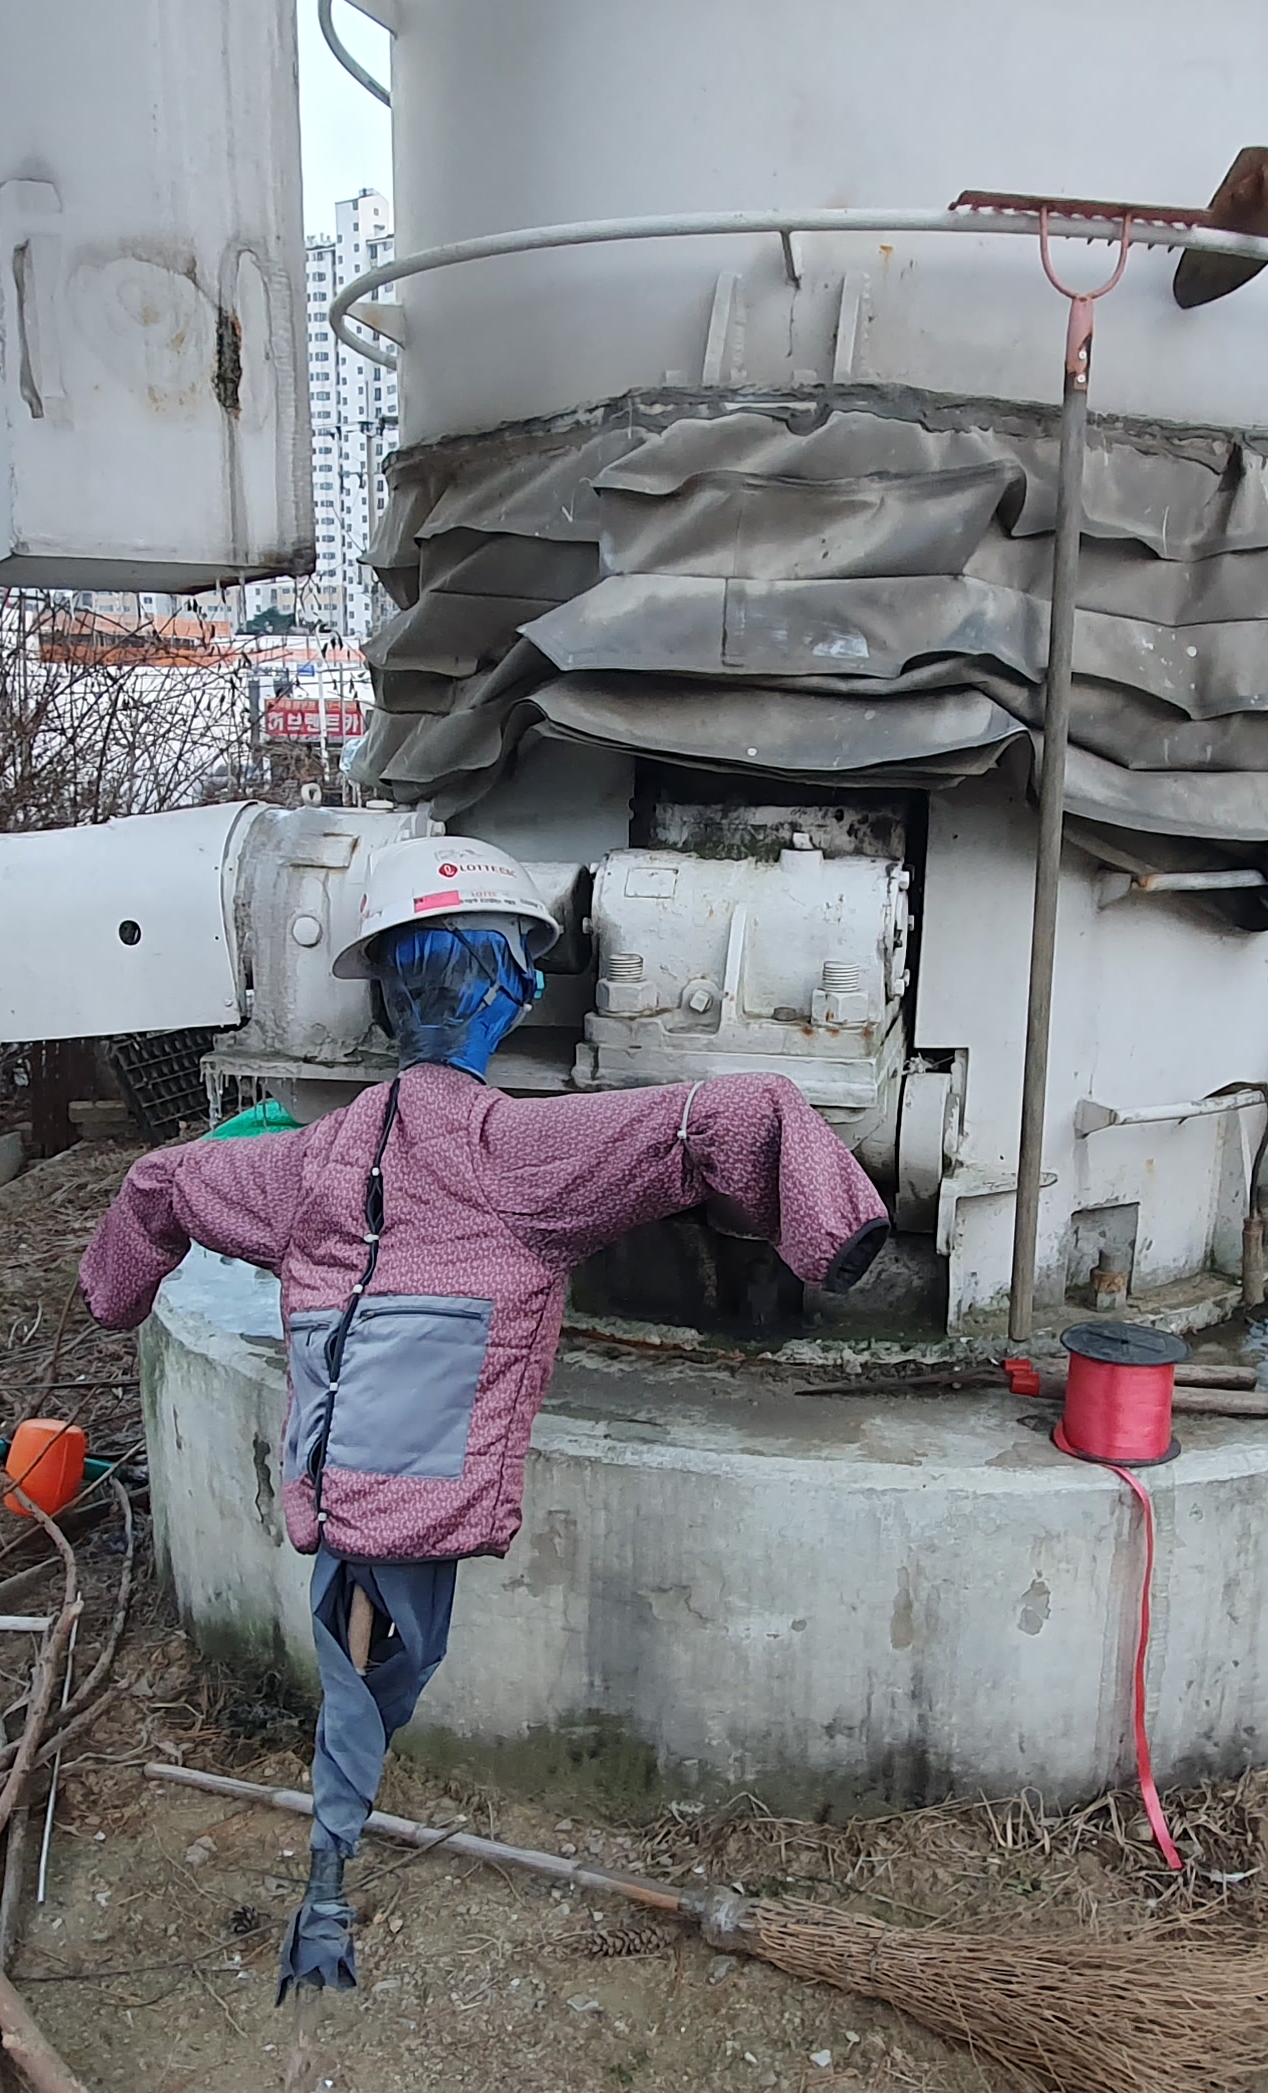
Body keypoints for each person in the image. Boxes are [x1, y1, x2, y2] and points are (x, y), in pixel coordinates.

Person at [79, 833, 892, 1997]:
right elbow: (725, 1119)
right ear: (512, 991)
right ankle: (326, 1889)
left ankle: (329, 1874)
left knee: (360, 1675)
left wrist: (114, 1293)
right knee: (384, 1678)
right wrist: (837, 1234)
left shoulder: (307, 1165)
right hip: (420, 1505)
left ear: (381, 994)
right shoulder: (518, 1155)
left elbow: (160, 1183)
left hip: (326, 1489)